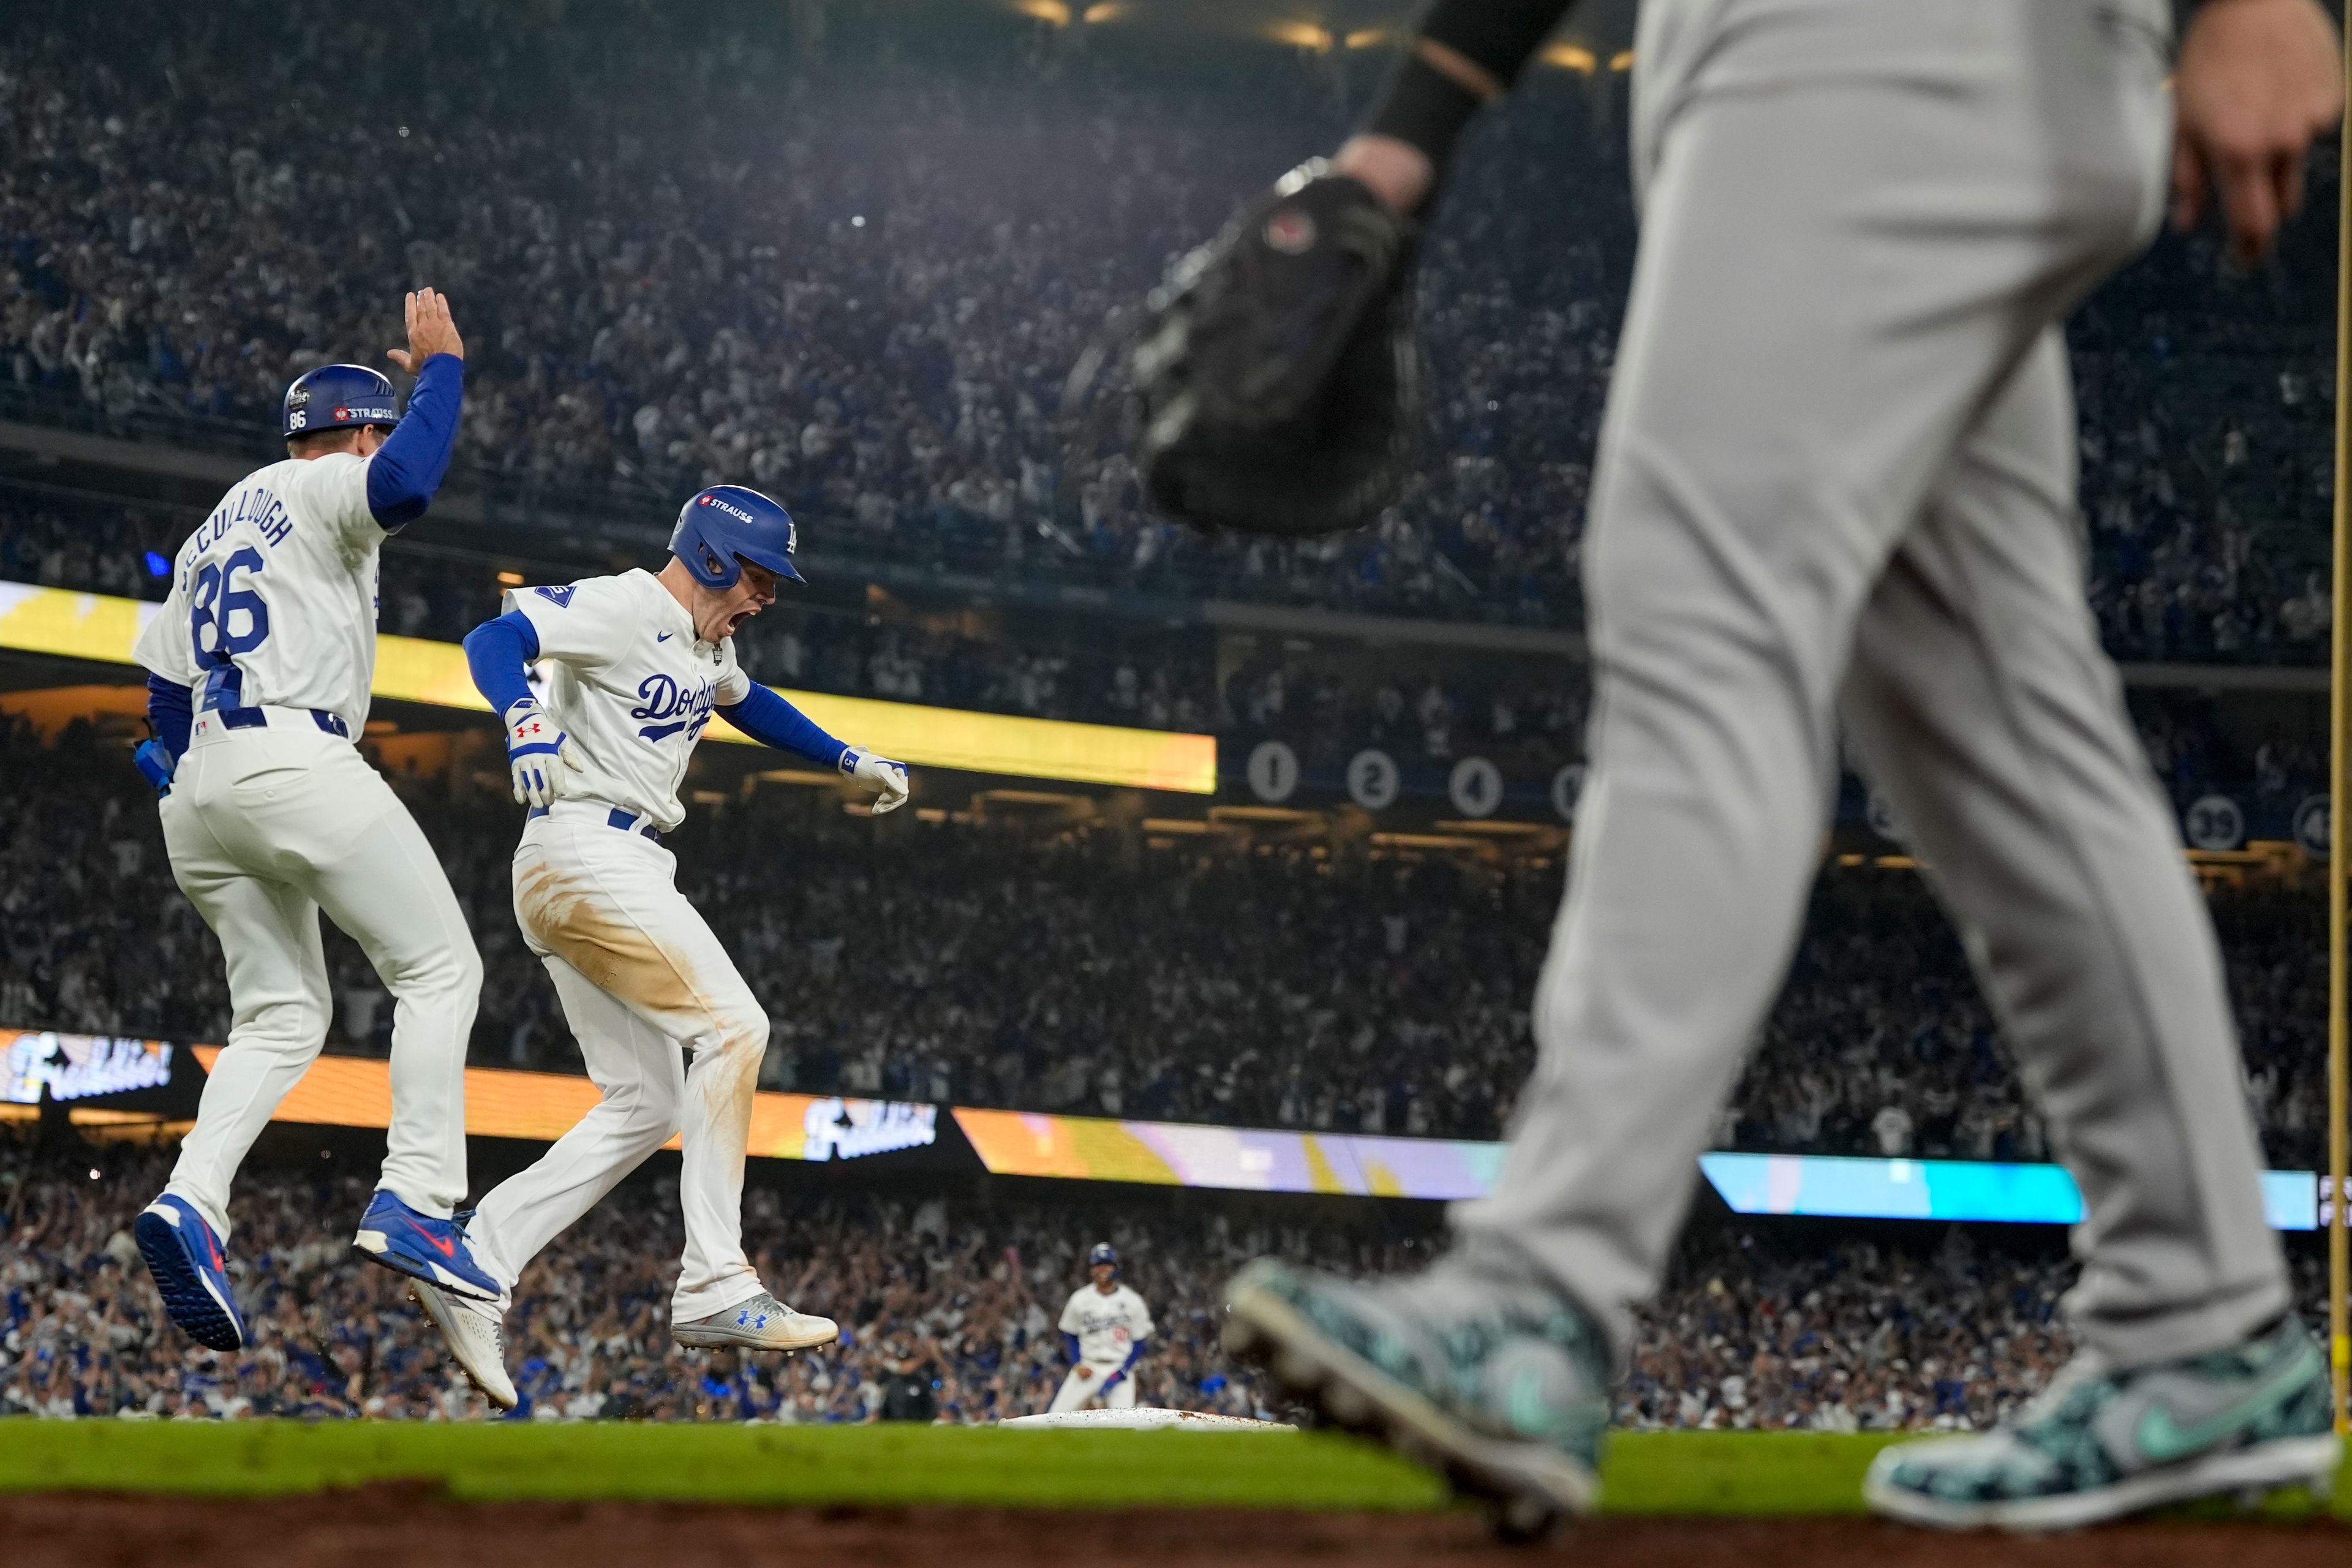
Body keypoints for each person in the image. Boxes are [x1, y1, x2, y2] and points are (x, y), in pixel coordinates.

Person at [1216, 0, 2346, 1535]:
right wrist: (1410, 127)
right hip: (1875, 85)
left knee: (1704, 615)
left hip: (1883, 60)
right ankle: (2200, 1323)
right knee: (1998, 720)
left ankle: (1541, 1293)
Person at [407, 484, 910, 1407]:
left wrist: (847, 759)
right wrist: (521, 717)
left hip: (599, 864)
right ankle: (717, 1283)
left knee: (647, 1102)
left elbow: (748, 704)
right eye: (761, 578)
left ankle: (475, 1256)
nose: (766, 600)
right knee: (734, 1029)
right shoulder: (629, 602)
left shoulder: (704, 642)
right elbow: (495, 639)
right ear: (714, 557)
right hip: (586, 848)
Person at [126, 289, 500, 1354]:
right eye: (376, 422)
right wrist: (443, 372)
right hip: (296, 754)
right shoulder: (332, 481)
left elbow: (158, 696)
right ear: (354, 430)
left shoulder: (211, 527)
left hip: (201, 788)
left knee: (283, 1018)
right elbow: (405, 485)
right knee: (440, 972)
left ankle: (193, 1201)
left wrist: (188, 776)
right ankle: (420, 1198)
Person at [1047, 1243, 1153, 1414]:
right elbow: (1070, 1333)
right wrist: (1077, 1364)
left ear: (1115, 1268)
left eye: (1107, 1264)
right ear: (1091, 1269)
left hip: (1119, 1368)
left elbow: (1140, 1341)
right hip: (1089, 1366)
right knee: (1056, 1416)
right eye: (1098, 1264)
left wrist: (1123, 1371)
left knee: (1125, 1424)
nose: (1103, 1269)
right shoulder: (1080, 1299)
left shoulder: (1133, 1301)